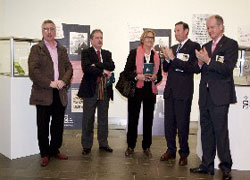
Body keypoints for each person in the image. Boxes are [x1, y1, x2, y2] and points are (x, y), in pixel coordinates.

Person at [190, 15, 238, 180]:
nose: (210, 30)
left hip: (220, 97)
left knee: (220, 133)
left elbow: (227, 68)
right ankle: (207, 166)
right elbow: (199, 70)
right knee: (206, 132)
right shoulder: (206, 45)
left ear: (221, 27)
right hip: (205, 96)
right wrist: (200, 63)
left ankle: (225, 168)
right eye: (208, 28)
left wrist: (208, 60)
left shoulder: (231, 44)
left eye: (212, 27)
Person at [28, 20, 73, 167]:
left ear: (55, 31)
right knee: (43, 125)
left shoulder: (62, 49)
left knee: (58, 124)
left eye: (51, 29)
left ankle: (54, 150)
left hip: (59, 92)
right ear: (42, 32)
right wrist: (50, 83)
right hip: (43, 92)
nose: (49, 32)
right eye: (46, 29)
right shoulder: (36, 49)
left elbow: (69, 68)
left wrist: (63, 81)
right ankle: (45, 153)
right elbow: (33, 71)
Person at [160, 21, 200, 166]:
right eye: (175, 31)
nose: (176, 33)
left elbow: (192, 68)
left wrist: (173, 59)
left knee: (182, 125)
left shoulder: (194, 47)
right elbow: (166, 68)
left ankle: (183, 153)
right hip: (170, 91)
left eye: (178, 30)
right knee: (169, 124)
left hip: (183, 92)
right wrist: (166, 58)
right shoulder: (173, 48)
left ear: (186, 31)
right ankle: (171, 150)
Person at [123, 30, 162, 157]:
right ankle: (130, 146)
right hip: (136, 90)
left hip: (150, 91)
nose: (150, 40)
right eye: (147, 37)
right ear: (142, 39)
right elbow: (126, 72)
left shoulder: (156, 56)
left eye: (152, 38)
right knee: (133, 119)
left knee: (148, 120)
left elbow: (160, 76)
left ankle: (146, 147)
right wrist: (137, 76)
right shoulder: (134, 53)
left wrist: (155, 77)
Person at [78, 29, 115, 155]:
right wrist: (103, 70)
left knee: (103, 119)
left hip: (105, 89)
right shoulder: (86, 52)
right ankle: (87, 145)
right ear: (91, 40)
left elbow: (112, 66)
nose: (100, 40)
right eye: (97, 37)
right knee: (88, 119)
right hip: (90, 90)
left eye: (101, 37)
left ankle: (103, 144)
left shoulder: (107, 53)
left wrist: (97, 65)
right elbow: (87, 68)